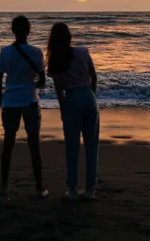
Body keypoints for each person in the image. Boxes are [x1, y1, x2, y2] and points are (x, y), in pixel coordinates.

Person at [0, 15, 49, 198]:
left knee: (8, 145)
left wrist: (0, 98)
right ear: (29, 30)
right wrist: (31, 83)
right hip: (30, 102)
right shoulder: (36, 52)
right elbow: (42, 81)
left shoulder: (5, 52)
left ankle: (3, 186)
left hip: (10, 103)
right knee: (34, 146)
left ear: (12, 30)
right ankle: (39, 188)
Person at [47, 22, 99, 201]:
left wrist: (63, 111)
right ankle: (91, 190)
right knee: (92, 147)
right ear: (69, 37)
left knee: (72, 148)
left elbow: (59, 91)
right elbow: (93, 75)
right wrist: (92, 94)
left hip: (71, 100)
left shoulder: (55, 60)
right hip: (89, 98)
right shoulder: (83, 51)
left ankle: (73, 190)